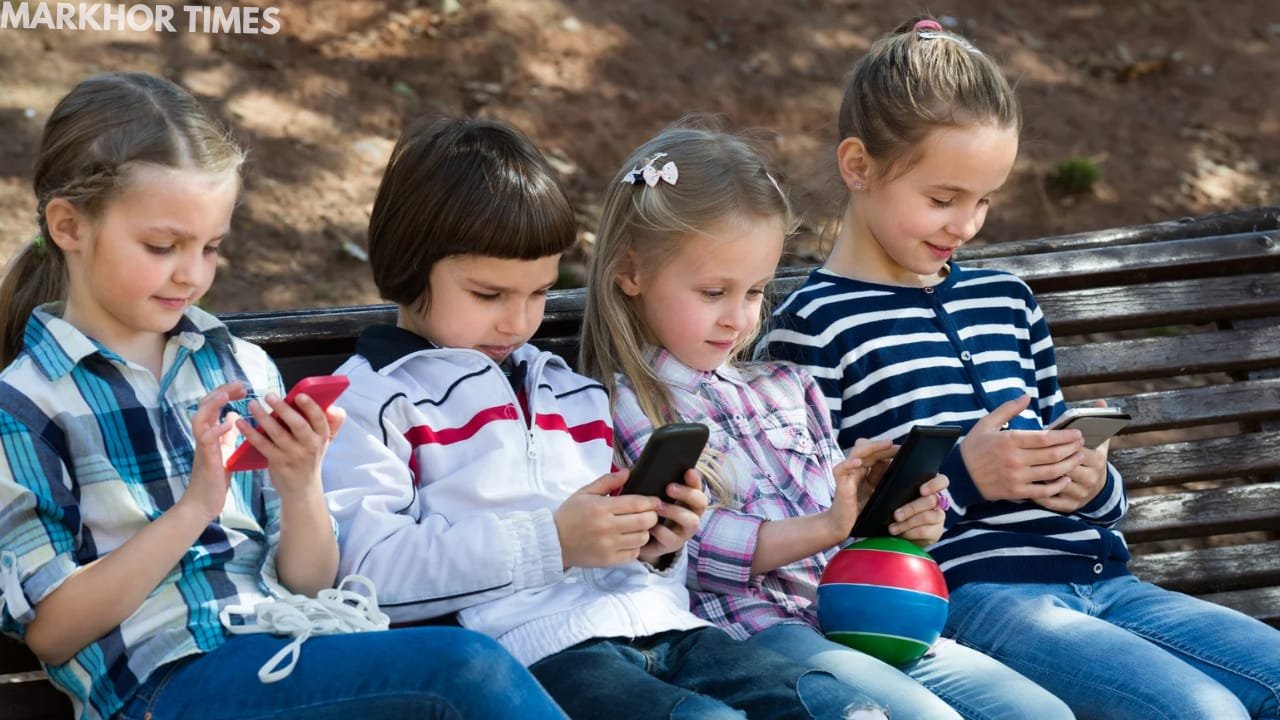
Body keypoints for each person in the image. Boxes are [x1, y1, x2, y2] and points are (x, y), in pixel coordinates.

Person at [0, 72, 569, 720]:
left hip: (293, 649)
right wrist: (194, 508)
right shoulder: (26, 404)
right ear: (69, 226)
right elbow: (53, 631)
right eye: (162, 246)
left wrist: (300, 488)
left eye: (211, 247)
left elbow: (310, 581)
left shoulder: (240, 367)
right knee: (463, 670)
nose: (192, 273)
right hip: (167, 686)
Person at [760, 17, 1280, 720]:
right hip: (976, 599)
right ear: (859, 166)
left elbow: (1070, 459)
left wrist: (1090, 481)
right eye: (942, 199)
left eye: (983, 200)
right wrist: (965, 479)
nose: (966, 225)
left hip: (1103, 581)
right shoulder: (814, 326)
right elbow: (814, 529)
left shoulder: (1006, 301)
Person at [319, 114, 873, 720]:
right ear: (408, 266)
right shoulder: (368, 400)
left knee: (839, 710)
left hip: (669, 629)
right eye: (488, 295)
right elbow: (366, 576)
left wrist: (658, 546)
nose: (518, 322)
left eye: (539, 293)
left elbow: (636, 564)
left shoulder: (569, 391)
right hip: (534, 655)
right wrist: (553, 541)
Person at [579, 122, 1074, 720]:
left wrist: (896, 519)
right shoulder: (625, 406)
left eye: (755, 292)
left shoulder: (786, 385)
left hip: (859, 611)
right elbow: (690, 551)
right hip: (762, 635)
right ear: (631, 272)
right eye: (713, 292)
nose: (738, 318)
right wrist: (827, 526)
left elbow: (844, 529)